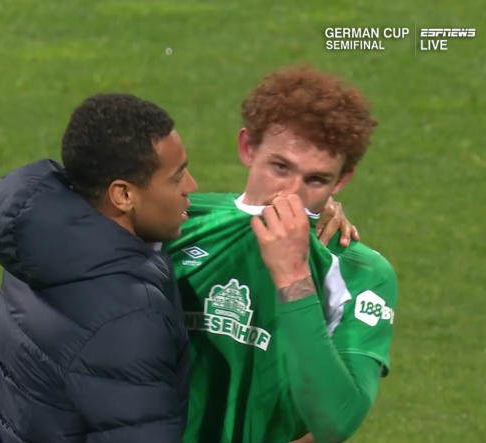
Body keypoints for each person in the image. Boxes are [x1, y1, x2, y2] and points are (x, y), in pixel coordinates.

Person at [0, 93, 197, 442]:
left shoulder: (45, 243)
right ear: (123, 195)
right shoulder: (129, 315)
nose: (191, 187)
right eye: (176, 177)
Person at [161, 65, 398, 443]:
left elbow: (336, 422)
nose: (290, 193)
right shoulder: (179, 220)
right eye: (280, 167)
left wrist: (294, 278)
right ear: (247, 148)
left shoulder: (361, 272)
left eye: (316, 179)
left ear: (342, 180)